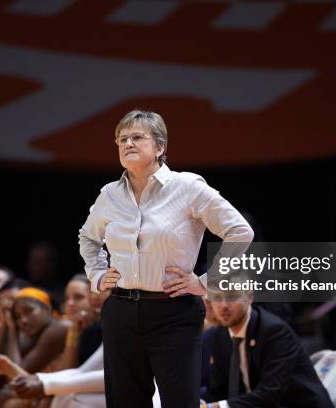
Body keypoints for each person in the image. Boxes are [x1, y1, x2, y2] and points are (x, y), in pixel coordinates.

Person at [78, 110, 254, 408]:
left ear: (160, 147)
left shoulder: (187, 187)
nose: (128, 143)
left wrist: (205, 282)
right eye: (122, 139)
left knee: (179, 402)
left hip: (173, 312)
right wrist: (96, 274)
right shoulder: (109, 194)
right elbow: (88, 237)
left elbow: (240, 232)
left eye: (137, 137)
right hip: (120, 310)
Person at [203, 290, 333, 408]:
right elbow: (217, 391)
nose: (224, 305)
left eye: (232, 296)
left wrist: (214, 407)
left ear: (249, 297)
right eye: (217, 297)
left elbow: (270, 393)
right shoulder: (219, 336)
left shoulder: (274, 331)